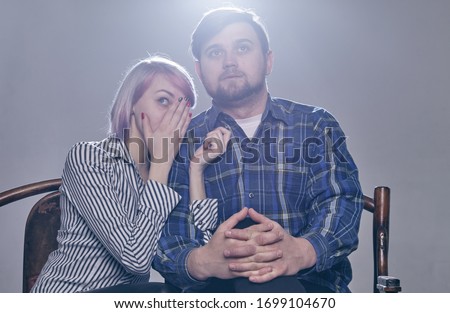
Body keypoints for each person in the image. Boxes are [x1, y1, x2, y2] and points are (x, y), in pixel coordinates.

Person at [153, 7, 364, 293]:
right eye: (215, 52)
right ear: (200, 70)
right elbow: (165, 229)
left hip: (308, 289)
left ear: (268, 61)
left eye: (242, 47)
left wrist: (301, 251)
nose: (229, 62)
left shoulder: (314, 125)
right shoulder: (181, 139)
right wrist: (201, 261)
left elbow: (340, 202)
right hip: (214, 296)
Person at [30, 55, 229, 292]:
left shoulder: (172, 171)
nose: (173, 117)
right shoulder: (89, 157)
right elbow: (135, 259)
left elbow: (204, 251)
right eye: (164, 101)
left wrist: (196, 170)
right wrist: (161, 165)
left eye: (183, 108)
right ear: (132, 103)